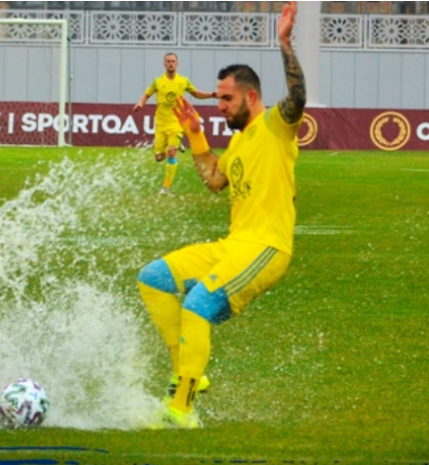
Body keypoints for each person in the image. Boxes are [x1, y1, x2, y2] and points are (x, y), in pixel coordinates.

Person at [137, 1, 305, 428]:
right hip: (234, 246)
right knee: (153, 278)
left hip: (267, 248)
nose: (220, 106)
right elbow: (213, 178)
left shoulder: (275, 125)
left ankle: (182, 409)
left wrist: (284, 42)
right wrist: (195, 135)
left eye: (226, 98)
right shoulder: (237, 145)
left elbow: (297, 96)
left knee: (197, 305)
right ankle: (189, 374)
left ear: (251, 96)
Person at [133, 52, 216, 195]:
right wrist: (140, 103)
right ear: (164, 64)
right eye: (168, 61)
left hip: (177, 122)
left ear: (177, 64)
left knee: (171, 152)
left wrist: (211, 94)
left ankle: (165, 188)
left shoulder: (183, 81)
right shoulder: (157, 81)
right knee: (159, 157)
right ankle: (175, 145)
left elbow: (195, 93)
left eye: (173, 61)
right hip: (161, 122)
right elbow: (146, 94)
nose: (171, 63)